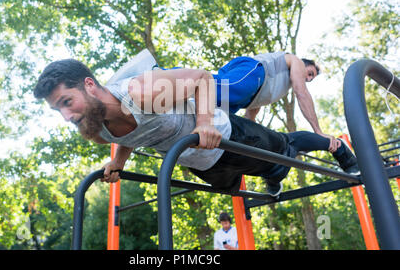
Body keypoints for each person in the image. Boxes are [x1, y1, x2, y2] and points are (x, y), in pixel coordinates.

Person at [33, 59, 357, 197]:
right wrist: (118, 162)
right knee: (235, 185)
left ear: (89, 85)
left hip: (226, 135)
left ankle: (337, 148)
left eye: (66, 101)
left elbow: (202, 78)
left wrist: (204, 122)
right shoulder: (97, 128)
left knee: (284, 150)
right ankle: (272, 178)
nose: (66, 115)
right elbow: (128, 135)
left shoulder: (142, 93)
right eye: (57, 109)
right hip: (199, 161)